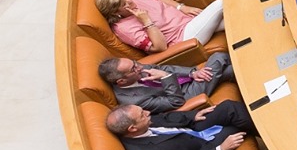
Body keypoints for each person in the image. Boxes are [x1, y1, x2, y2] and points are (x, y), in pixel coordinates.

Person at [105, 100, 255, 150]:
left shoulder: (142, 123)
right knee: (237, 124)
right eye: (142, 115)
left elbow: (165, 117)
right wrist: (221, 149)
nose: (148, 112)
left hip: (193, 130)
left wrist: (192, 116)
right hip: (201, 149)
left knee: (229, 107)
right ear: (132, 129)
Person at [97, 0, 224, 52]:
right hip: (183, 36)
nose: (129, 2)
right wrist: (146, 21)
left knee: (232, 21)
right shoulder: (124, 29)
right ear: (116, 13)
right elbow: (160, 47)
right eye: (124, 5)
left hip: (189, 20)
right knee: (220, 4)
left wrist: (182, 7)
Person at [98, 54, 233, 114]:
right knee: (218, 57)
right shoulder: (134, 101)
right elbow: (175, 102)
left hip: (187, 82)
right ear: (121, 81)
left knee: (228, 71)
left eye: (135, 63)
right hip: (184, 96)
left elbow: (164, 68)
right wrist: (166, 78)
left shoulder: (136, 68)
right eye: (133, 69)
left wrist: (192, 73)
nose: (139, 67)